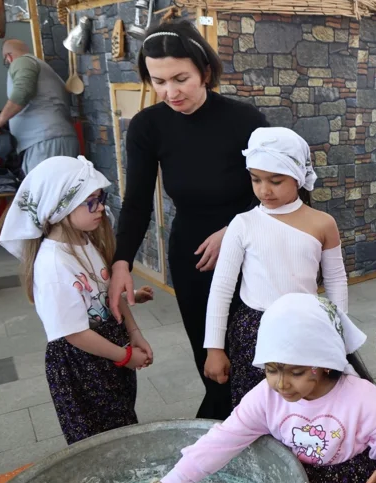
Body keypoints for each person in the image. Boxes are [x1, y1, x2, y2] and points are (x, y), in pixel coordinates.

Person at [108, 19, 270, 421]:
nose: (170, 92)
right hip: (194, 255)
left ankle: (247, 426)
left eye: (180, 78)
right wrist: (121, 261)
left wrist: (236, 229)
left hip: (255, 245)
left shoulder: (245, 119)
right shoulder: (148, 126)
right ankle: (226, 429)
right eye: (159, 81)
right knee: (210, 356)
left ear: (205, 71)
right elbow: (137, 201)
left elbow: (288, 191)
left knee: (255, 351)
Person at [111, 293, 376, 483]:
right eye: (271, 369)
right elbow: (219, 443)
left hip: (352, 482)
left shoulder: (359, 396)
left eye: (295, 372)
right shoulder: (266, 397)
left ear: (323, 364)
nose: (281, 384)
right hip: (295, 477)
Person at [0, 156, 154, 445]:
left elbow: (105, 293)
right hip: (82, 366)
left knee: (121, 424)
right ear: (61, 206)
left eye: (101, 198)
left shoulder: (85, 241)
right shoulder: (54, 264)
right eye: (91, 201)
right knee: (100, 441)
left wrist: (134, 333)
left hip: (110, 352)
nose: (102, 207)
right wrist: (126, 357)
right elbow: (75, 334)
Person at [203, 127, 348, 407]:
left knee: (301, 401)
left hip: (304, 325)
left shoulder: (322, 223)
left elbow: (336, 280)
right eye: (256, 179)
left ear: (298, 177)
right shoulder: (243, 224)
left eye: (276, 180)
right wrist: (214, 348)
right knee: (256, 406)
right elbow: (221, 287)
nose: (264, 190)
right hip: (253, 328)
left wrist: (337, 331)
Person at [0, 40, 79, 173]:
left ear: (9, 57)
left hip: (45, 142)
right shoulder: (41, 66)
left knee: (45, 191)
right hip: (52, 139)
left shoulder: (23, 62)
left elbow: (23, 91)